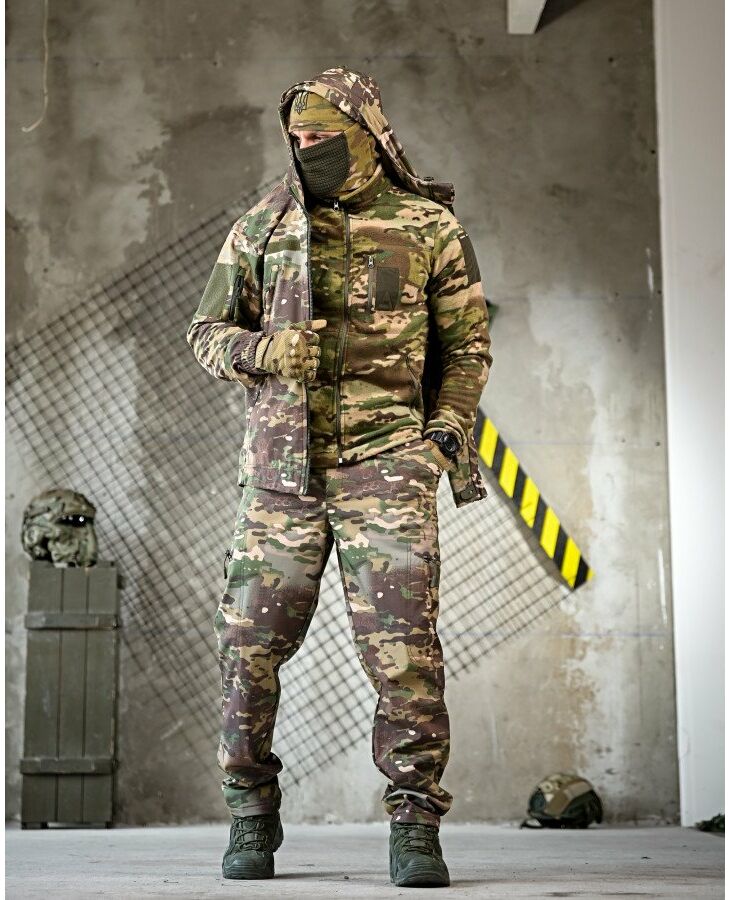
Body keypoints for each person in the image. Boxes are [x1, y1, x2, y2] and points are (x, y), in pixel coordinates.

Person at [187, 65, 493, 887]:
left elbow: (468, 349)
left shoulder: (428, 227)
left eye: (323, 134)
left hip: (387, 468)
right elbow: (206, 332)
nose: (307, 147)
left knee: (404, 656)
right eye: (297, 136)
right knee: (246, 646)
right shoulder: (262, 226)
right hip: (280, 478)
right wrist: (262, 351)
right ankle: (250, 813)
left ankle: (416, 824)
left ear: (367, 132)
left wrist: (440, 439)